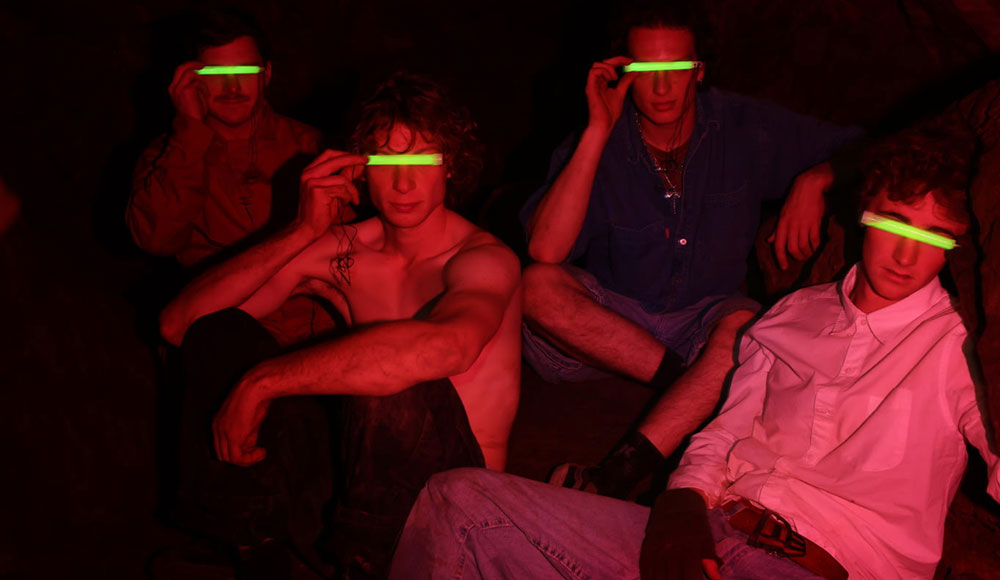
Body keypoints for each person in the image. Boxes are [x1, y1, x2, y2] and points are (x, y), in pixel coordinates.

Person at [391, 122, 999, 580]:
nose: (905, 254)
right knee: (459, 502)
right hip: (711, 527)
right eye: (895, 224)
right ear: (864, 218)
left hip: (823, 565)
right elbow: (723, 430)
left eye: (931, 237)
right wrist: (681, 504)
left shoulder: (957, 347)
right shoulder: (793, 315)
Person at [158, 72, 521, 578]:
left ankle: (362, 568)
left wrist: (261, 384)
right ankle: (249, 547)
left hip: (453, 507)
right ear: (356, 168)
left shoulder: (480, 258)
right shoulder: (346, 249)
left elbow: (446, 348)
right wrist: (302, 231)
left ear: (451, 168)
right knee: (221, 334)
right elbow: (181, 325)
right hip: (354, 484)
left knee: (393, 377)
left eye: (421, 160)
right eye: (386, 160)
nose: (402, 182)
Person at [520, 2, 864, 498]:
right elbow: (546, 250)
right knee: (535, 285)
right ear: (622, 72)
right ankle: (693, 387)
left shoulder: (741, 126)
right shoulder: (599, 138)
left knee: (748, 329)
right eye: (647, 69)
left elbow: (874, 146)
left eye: (676, 69)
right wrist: (597, 130)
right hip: (607, 326)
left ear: (699, 70)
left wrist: (817, 177)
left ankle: (615, 476)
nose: (662, 88)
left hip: (703, 322)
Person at [128, 8, 329, 345]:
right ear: (191, 80)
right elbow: (157, 240)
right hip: (222, 326)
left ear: (266, 75)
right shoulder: (168, 154)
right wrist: (190, 132)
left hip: (316, 327)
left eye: (245, 71)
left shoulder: (310, 145)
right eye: (217, 73)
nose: (232, 87)